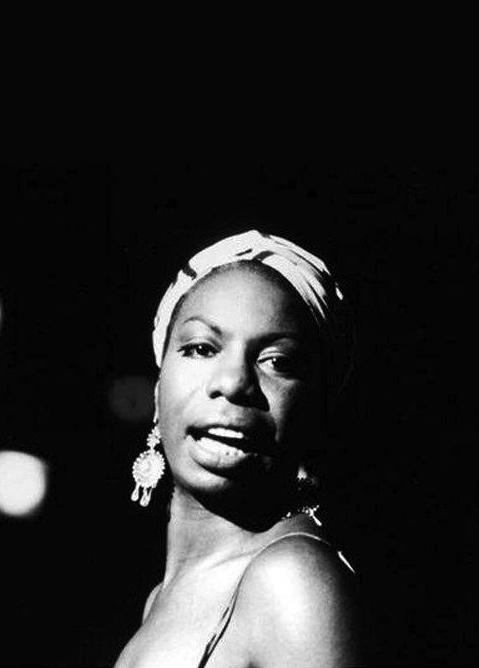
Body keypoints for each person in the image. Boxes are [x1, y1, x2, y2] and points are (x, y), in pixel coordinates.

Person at [115, 230, 363, 668]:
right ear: (157, 391)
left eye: (277, 361)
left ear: (316, 411)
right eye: (200, 348)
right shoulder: (161, 600)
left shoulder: (292, 579)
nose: (233, 382)